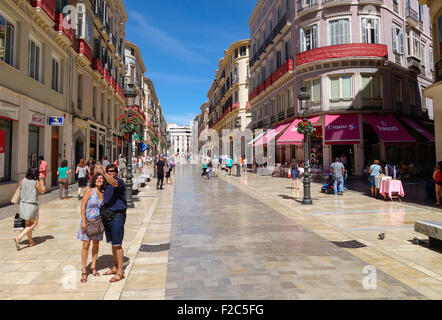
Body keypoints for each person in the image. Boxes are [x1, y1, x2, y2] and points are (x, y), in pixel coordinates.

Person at [99, 164, 127, 283]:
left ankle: (120, 271)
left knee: (117, 244)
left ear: (116, 172)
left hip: (117, 215)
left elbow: (114, 183)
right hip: (107, 216)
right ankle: (115, 266)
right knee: (112, 244)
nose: (110, 173)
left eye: (112, 171)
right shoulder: (105, 185)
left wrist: (103, 173)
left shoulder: (119, 182)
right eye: (108, 171)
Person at [77, 173, 106, 283]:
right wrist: (83, 221)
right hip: (87, 221)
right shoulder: (89, 191)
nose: (99, 180)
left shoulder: (103, 193)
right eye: (98, 178)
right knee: (85, 244)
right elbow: (83, 206)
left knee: (96, 243)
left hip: (98, 222)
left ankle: (93, 266)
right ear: (94, 180)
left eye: (101, 179)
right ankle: (84, 270)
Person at [14, 168, 46, 250]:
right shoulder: (36, 182)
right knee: (33, 224)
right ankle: (19, 238)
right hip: (31, 205)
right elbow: (43, 191)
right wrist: (42, 180)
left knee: (27, 225)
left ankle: (31, 242)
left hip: (23, 205)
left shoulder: (23, 180)